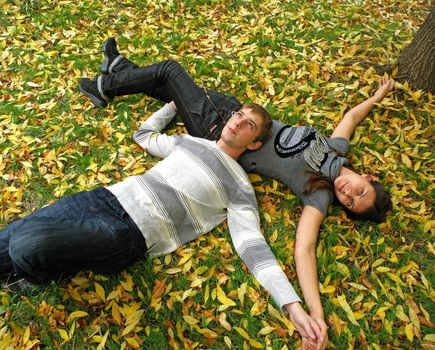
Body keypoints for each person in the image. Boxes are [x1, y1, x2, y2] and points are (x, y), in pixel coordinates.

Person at [79, 37, 395, 350]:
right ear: (367, 176)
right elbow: (351, 118)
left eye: (351, 203)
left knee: (170, 72)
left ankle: (103, 86)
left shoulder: (318, 194)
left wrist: (316, 313)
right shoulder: (338, 148)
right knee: (173, 91)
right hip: (241, 117)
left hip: (221, 134)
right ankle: (121, 68)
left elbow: (305, 248)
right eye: (360, 190)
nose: (348, 194)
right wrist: (378, 95)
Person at [0, 99, 325, 348]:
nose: (237, 121)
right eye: (238, 114)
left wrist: (292, 306)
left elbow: (253, 248)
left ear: (255, 143)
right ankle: (24, 269)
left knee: (27, 244)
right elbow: (145, 136)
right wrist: (171, 106)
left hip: (129, 233)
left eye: (249, 123)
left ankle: (33, 275)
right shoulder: (191, 143)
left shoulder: (241, 190)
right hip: (100, 198)